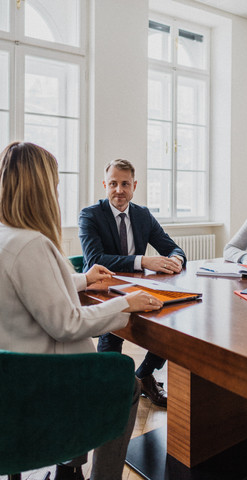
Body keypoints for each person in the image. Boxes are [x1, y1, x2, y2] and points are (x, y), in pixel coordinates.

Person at [0, 142, 163, 480]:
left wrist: (82, 280)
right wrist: (125, 303)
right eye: (55, 183)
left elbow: (27, 286)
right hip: (38, 379)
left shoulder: (8, 237)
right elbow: (68, 325)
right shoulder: (31, 243)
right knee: (125, 381)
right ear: (42, 187)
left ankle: (68, 470)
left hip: (11, 367)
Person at [79, 159, 187, 408]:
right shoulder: (90, 215)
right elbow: (95, 259)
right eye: (114, 184)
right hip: (103, 290)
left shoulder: (142, 215)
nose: (119, 190)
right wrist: (143, 261)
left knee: (172, 324)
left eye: (125, 184)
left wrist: (175, 259)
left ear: (134, 185)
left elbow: (173, 247)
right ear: (105, 185)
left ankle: (144, 376)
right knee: (113, 333)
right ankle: (108, 385)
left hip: (137, 288)